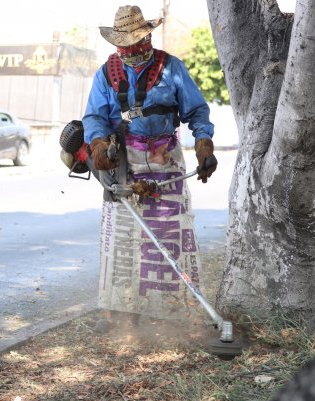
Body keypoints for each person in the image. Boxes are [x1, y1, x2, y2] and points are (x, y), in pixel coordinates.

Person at [82, 5, 217, 328]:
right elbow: (95, 117)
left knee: (171, 232)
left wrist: (204, 146)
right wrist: (99, 145)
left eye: (137, 42)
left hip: (165, 157)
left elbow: (197, 112)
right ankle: (119, 313)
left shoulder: (171, 68)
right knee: (123, 238)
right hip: (123, 159)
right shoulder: (107, 73)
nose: (131, 50)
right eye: (124, 45)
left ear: (148, 38)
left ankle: (172, 312)